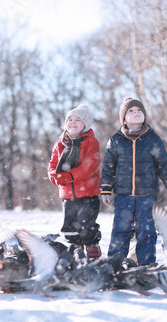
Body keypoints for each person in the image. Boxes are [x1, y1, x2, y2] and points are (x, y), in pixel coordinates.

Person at [100, 97, 167, 265]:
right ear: (123, 118)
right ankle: (114, 267)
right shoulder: (115, 140)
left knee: (147, 233)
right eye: (131, 111)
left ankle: (146, 267)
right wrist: (106, 190)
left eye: (139, 110)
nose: (136, 112)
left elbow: (164, 165)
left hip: (147, 196)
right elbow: (108, 168)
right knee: (120, 232)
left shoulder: (153, 139)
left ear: (144, 115)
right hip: (123, 196)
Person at [48, 104, 103, 259]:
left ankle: (92, 250)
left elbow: (91, 165)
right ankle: (76, 251)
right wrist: (54, 175)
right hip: (67, 194)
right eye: (70, 119)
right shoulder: (60, 144)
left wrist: (70, 175)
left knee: (87, 225)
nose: (72, 122)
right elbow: (53, 163)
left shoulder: (91, 142)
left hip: (88, 193)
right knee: (70, 225)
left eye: (78, 120)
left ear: (85, 125)